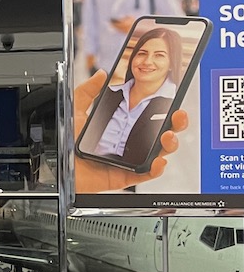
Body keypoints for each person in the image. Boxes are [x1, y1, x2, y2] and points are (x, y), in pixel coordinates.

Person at [78, 27, 183, 168]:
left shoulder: (173, 104)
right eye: (142, 53)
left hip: (131, 182)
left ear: (172, 64)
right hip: (89, 169)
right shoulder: (109, 94)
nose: (147, 61)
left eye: (159, 55)